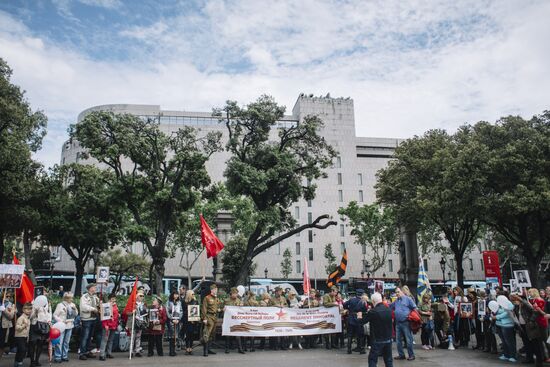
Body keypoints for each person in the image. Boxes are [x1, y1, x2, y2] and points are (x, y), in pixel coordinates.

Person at [364, 293, 393, 367]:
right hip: (388, 338)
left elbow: (363, 321)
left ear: (373, 301)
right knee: (388, 360)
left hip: (377, 339)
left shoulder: (373, 311)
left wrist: (359, 316)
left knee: (372, 359)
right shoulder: (388, 309)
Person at [390, 287, 416, 361]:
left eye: (398, 292)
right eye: (396, 292)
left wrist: (410, 315)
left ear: (402, 292)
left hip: (406, 322)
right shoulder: (396, 301)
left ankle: (411, 355)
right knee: (398, 341)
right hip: (398, 323)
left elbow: (414, 308)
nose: (397, 293)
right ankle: (401, 355)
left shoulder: (408, 299)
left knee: (408, 340)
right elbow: (390, 307)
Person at [53, 292, 78, 362]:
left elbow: (76, 314)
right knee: (60, 342)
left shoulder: (73, 304)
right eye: (71, 298)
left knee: (66, 342)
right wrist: (61, 321)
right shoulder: (60, 305)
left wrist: (75, 309)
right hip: (62, 326)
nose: (72, 299)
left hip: (70, 325)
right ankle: (58, 356)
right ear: (66, 298)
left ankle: (64, 355)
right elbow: (55, 315)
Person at [29, 296, 52, 367]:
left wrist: (49, 321)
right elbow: (30, 317)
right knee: (32, 344)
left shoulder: (48, 304)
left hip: (44, 326)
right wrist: (35, 310)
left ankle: (37, 361)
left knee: (40, 344)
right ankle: (32, 361)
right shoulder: (34, 303)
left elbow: (50, 314)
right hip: (35, 325)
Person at [344, 289, 368, 354]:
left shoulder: (351, 299)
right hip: (359, 319)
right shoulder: (363, 301)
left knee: (350, 334)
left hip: (351, 318)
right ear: (362, 294)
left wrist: (349, 309)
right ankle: (361, 349)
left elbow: (344, 305)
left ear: (356, 294)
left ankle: (349, 349)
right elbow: (365, 310)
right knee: (360, 335)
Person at [79, 283, 100, 360]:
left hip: (93, 319)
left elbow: (98, 306)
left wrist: (100, 305)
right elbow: (83, 307)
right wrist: (93, 309)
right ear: (90, 288)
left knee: (89, 337)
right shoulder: (84, 297)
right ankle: (82, 353)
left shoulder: (95, 297)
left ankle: (87, 351)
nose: (95, 288)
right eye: (94, 287)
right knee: (85, 336)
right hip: (86, 319)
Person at [494, 294, 517, 362]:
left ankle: (513, 355)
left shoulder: (509, 304)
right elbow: (496, 311)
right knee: (503, 341)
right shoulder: (499, 304)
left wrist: (497, 317)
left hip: (508, 325)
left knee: (509, 341)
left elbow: (507, 313)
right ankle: (506, 354)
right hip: (500, 324)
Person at [224, 287, 245, 354]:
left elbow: (242, 310)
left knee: (237, 335)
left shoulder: (239, 300)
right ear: (231, 294)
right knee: (228, 335)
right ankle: (227, 348)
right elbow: (222, 308)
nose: (235, 295)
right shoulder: (226, 300)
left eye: (236, 293)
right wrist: (223, 309)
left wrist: (242, 306)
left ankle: (240, 349)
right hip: (229, 320)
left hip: (236, 320)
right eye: (234, 293)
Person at [201, 284, 220, 357]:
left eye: (216, 289)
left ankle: (208, 349)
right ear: (212, 290)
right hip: (208, 316)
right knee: (207, 333)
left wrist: (220, 309)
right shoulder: (207, 298)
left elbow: (217, 307)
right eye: (215, 289)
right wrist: (204, 318)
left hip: (214, 317)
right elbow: (204, 309)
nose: (216, 291)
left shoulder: (216, 298)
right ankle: (205, 351)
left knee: (212, 334)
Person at [98, 294, 118, 361]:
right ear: (109, 299)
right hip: (107, 325)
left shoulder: (115, 305)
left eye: (114, 299)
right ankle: (102, 354)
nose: (114, 300)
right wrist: (105, 325)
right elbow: (104, 317)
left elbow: (115, 315)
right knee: (104, 340)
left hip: (114, 325)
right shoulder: (106, 305)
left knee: (111, 340)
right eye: (112, 299)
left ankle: (109, 353)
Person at [128, 290, 148, 357]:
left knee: (138, 337)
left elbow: (145, 313)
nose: (142, 297)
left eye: (142, 296)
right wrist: (132, 312)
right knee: (132, 337)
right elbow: (127, 313)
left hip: (141, 322)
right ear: (137, 296)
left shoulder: (144, 304)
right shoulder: (133, 303)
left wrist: (146, 311)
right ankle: (131, 351)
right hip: (134, 321)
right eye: (140, 296)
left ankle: (137, 351)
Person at [14, 303, 32, 367]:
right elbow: (17, 327)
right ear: (23, 310)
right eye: (27, 309)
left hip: (25, 336)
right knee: (22, 350)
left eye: (30, 309)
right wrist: (24, 325)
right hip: (19, 336)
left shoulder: (28, 318)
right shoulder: (21, 318)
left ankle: (16, 363)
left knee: (20, 350)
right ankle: (19, 363)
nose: (29, 310)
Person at [181, 289, 198, 355]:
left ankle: (191, 348)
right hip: (186, 320)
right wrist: (189, 310)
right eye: (192, 294)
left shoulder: (195, 301)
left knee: (192, 335)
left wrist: (195, 319)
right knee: (187, 335)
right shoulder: (184, 301)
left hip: (193, 321)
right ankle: (187, 348)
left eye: (194, 294)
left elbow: (197, 310)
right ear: (189, 294)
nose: (193, 295)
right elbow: (183, 311)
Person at [166, 291, 182, 356]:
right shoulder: (168, 302)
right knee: (171, 336)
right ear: (172, 295)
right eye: (175, 294)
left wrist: (178, 319)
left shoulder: (179, 302)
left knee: (176, 335)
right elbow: (167, 311)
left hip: (177, 320)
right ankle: (171, 351)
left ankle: (174, 350)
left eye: (177, 295)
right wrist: (171, 319)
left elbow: (181, 311)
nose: (176, 296)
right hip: (170, 321)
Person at [0, 290, 15, 357]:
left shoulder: (12, 305)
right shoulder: (1, 303)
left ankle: (1, 353)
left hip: (4, 325)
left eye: (9, 296)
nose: (8, 298)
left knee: (2, 340)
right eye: (6, 296)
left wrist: (4, 310)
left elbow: (11, 316)